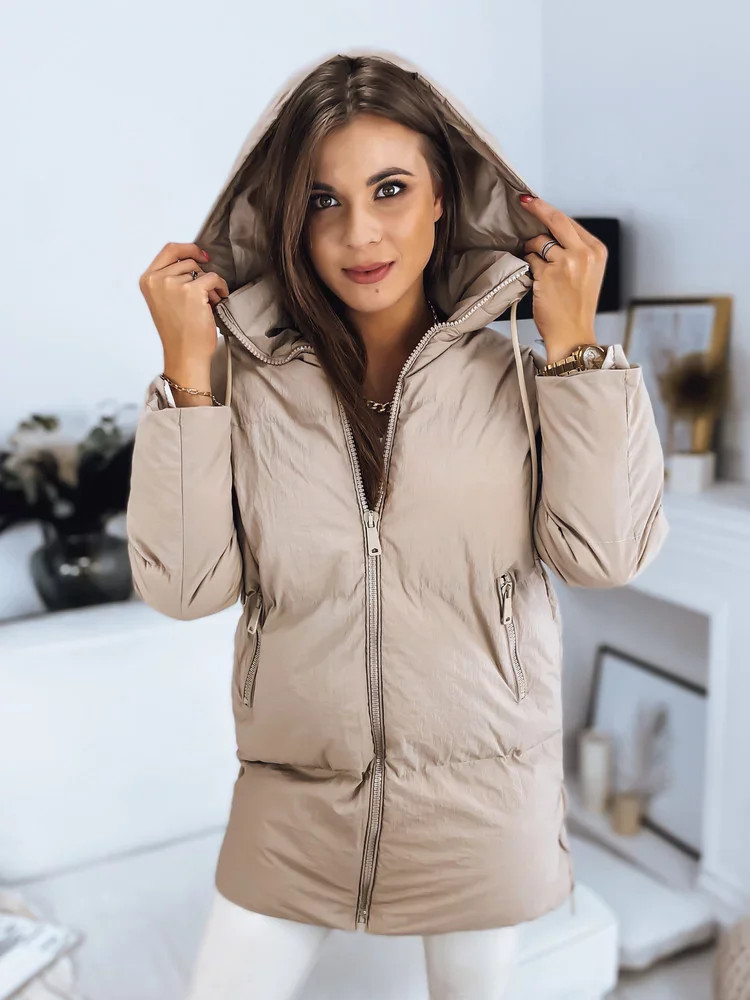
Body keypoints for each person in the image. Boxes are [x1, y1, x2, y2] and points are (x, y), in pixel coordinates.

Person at [127, 47, 669, 1000]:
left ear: (442, 201)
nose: (359, 232)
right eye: (322, 200)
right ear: (289, 219)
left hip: (483, 802)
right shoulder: (244, 384)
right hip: (290, 803)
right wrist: (186, 372)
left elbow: (606, 555)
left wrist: (577, 349)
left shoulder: (523, 375)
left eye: (390, 189)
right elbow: (183, 588)